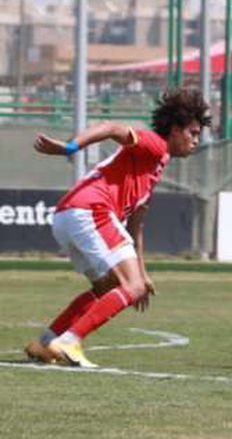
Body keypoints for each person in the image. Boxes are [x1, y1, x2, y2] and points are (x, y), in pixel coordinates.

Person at [24, 89, 210, 368]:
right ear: (174, 130)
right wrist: (71, 147)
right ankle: (70, 341)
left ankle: (47, 341)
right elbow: (111, 128)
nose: (196, 140)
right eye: (192, 133)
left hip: (69, 215)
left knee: (107, 289)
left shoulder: (156, 164)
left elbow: (136, 223)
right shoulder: (155, 144)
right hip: (91, 210)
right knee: (128, 286)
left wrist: (143, 275)